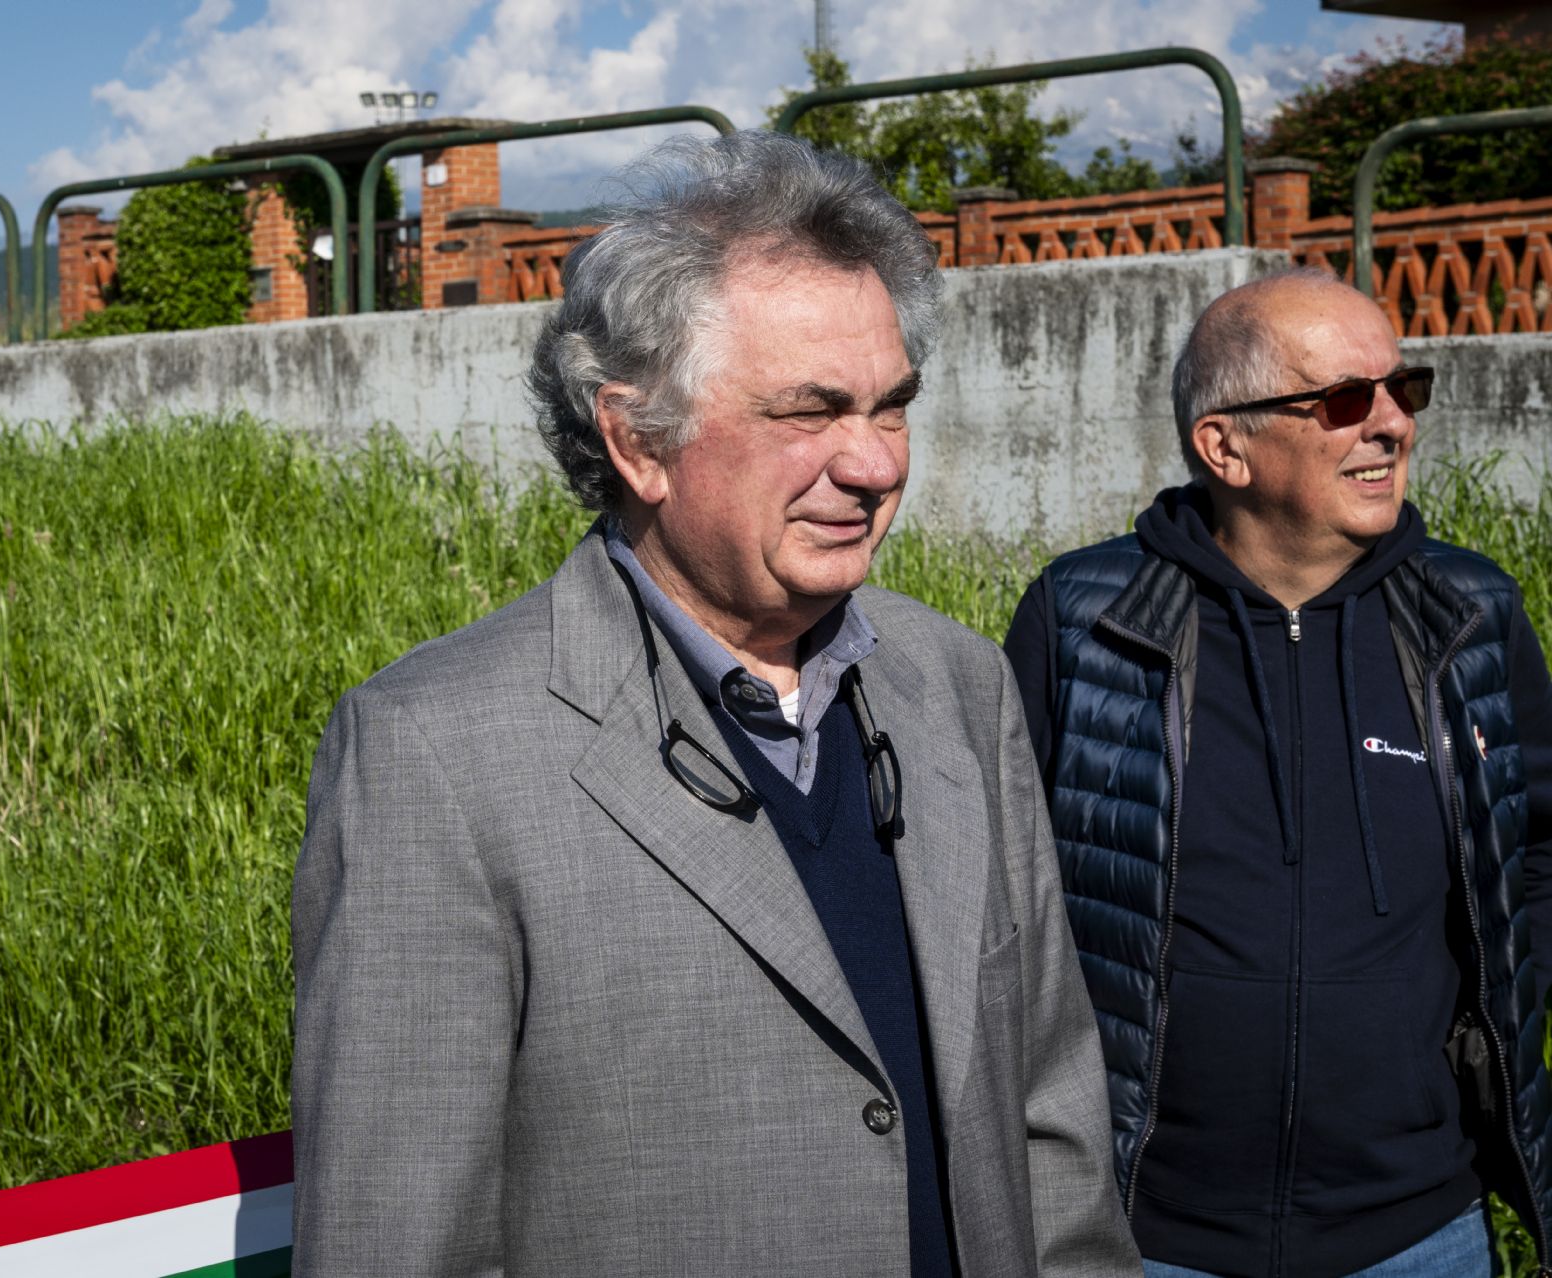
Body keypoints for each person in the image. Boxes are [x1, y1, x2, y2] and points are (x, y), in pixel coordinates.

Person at [291, 130, 1138, 1277]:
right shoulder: (433, 754)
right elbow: (397, 1241)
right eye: (809, 412)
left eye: (891, 406)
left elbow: (1054, 1121)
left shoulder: (959, 684)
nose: (875, 465)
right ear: (639, 439)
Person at [1003, 267, 1552, 1278]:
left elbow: (1535, 854)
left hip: (1420, 1232)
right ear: (1226, 446)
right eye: (1345, 399)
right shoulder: (1085, 620)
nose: (1392, 424)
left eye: (1403, 389)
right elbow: (1004, 894)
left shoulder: (1471, 616)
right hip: (1144, 1234)